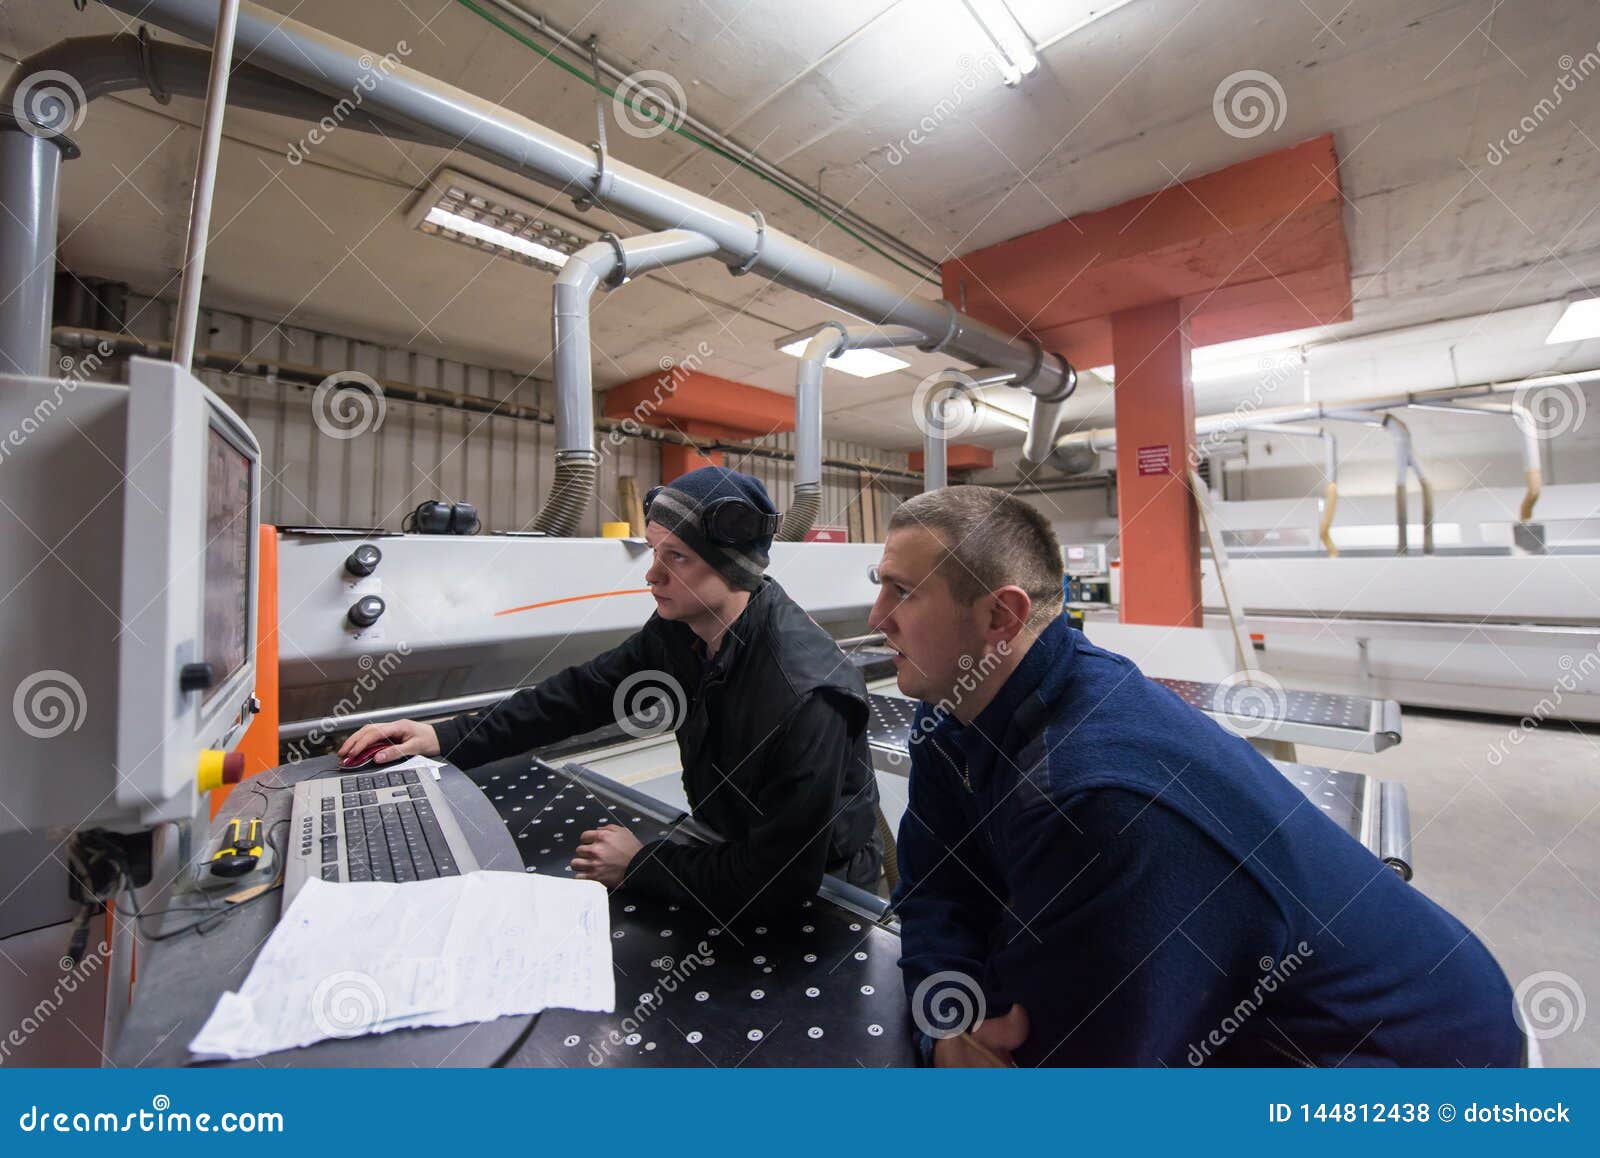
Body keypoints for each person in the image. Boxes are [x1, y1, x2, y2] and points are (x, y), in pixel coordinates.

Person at [869, 484, 1522, 1067]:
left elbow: (1064, 1065)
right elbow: (933, 890)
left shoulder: (1101, 801)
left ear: (1000, 618)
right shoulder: (953, 713)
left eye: (903, 592)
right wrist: (946, 1020)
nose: (876, 617)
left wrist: (972, 1038)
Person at [339, 466, 882, 920]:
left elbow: (780, 880)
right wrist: (445, 735)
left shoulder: (804, 694)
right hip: (728, 849)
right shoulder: (681, 633)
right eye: (654, 552)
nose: (652, 575)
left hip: (825, 892)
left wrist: (640, 865)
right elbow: (583, 693)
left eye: (677, 557)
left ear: (731, 567)